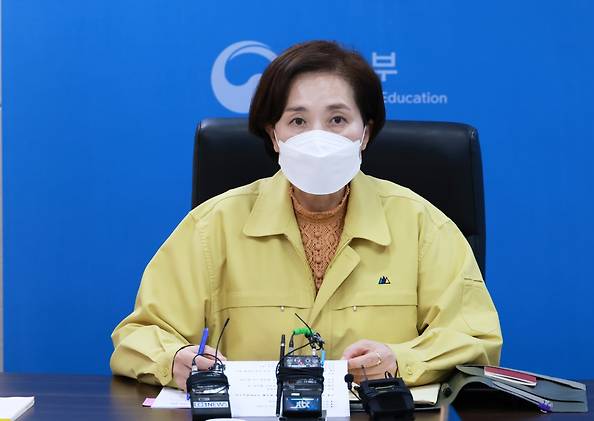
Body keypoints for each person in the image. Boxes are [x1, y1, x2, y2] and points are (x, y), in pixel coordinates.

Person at [110, 40, 502, 390]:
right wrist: (174, 359)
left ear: (365, 133)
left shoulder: (422, 226)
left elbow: (475, 340)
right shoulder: (212, 227)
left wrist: (403, 361)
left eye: (337, 120)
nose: (319, 138)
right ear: (274, 135)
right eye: (298, 121)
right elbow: (138, 336)